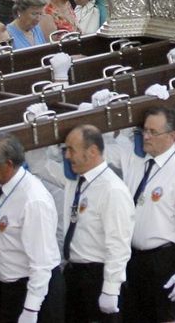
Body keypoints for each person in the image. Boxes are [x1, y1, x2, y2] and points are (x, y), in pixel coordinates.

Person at [114, 105, 175, 321]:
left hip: (163, 260)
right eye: (144, 130)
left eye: (153, 132)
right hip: (133, 258)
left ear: (172, 136)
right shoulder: (137, 161)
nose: (146, 136)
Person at [0, 131, 62, 322]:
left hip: (35, 290)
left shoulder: (33, 200)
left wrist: (31, 309)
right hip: (8, 288)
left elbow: (42, 262)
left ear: (8, 165)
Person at [57, 124, 133, 320]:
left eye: (72, 150)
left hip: (97, 276)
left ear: (92, 152)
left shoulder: (112, 190)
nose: (67, 156)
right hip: (75, 273)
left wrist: (110, 289)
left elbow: (118, 244)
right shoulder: (77, 182)